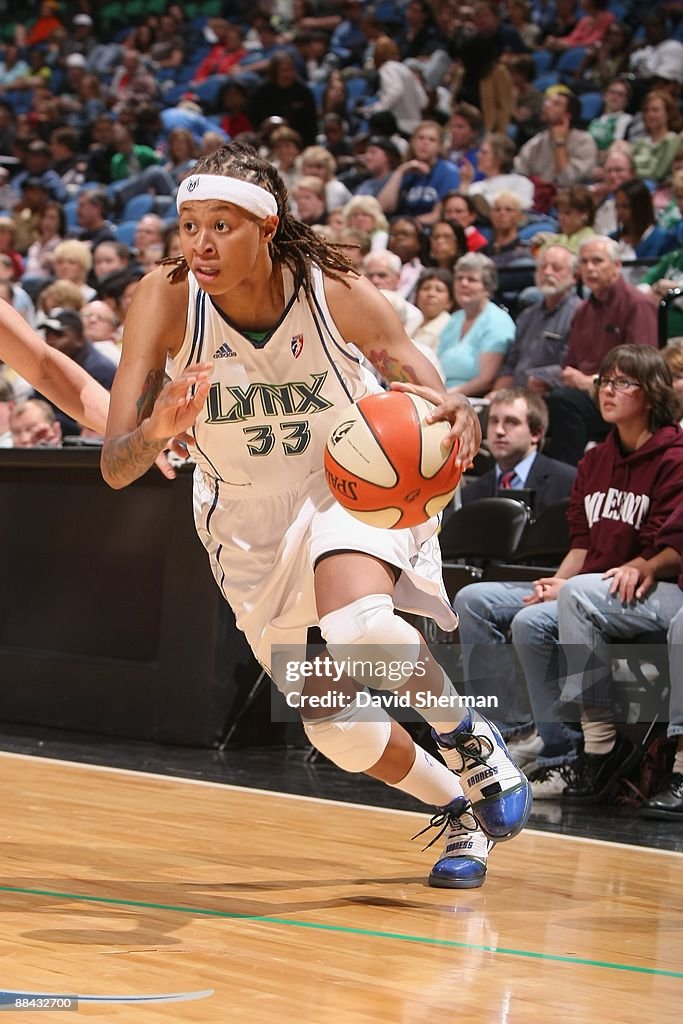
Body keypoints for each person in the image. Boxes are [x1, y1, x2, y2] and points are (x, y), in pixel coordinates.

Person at [101, 142, 532, 890]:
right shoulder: (163, 301)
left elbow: (415, 373)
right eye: (188, 224)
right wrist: (155, 432)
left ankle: (469, 739)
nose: (199, 243)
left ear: (266, 229)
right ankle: (459, 809)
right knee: (333, 727)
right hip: (242, 518)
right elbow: (115, 466)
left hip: (349, 480)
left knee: (358, 623)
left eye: (221, 225)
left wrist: (451, 407)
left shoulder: (328, 288)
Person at [454, 345, 683, 797]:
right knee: (475, 601)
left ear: (651, 393)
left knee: (554, 607)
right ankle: (521, 738)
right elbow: (583, 542)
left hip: (654, 585)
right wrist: (558, 582)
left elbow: (672, 544)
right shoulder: (596, 460)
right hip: (592, 585)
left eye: (622, 382)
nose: (607, 391)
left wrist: (633, 567)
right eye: (604, 381)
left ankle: (590, 749)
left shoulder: (673, 455)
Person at [544, 236, 658, 465]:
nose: (589, 268)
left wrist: (591, 382)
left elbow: (644, 369)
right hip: (585, 394)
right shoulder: (583, 309)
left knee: (563, 402)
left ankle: (565, 479)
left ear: (617, 265)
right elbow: (572, 361)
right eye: (584, 262)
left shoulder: (637, 304)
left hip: (624, 394)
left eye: (597, 261)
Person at [461, 387, 577, 514]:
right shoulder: (470, 494)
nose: (499, 431)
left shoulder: (568, 482)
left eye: (511, 422)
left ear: (536, 433)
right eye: (494, 421)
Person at [438, 252, 515, 395]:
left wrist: (446, 396)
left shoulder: (497, 321)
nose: (463, 283)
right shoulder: (455, 318)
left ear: (487, 288)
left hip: (472, 399)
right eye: (459, 278)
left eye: (471, 280)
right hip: (443, 391)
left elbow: (486, 380)